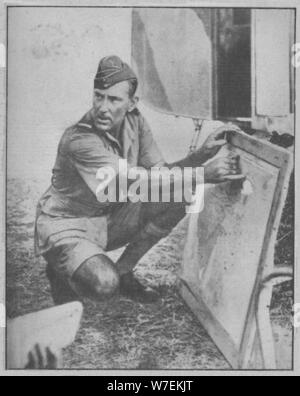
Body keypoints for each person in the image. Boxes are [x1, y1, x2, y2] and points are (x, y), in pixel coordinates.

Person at [35, 55, 241, 305]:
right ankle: (61, 268)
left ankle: (124, 272)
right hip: (69, 226)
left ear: (132, 103)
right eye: (98, 95)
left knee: (179, 195)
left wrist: (203, 154)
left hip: (110, 216)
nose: (102, 107)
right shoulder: (79, 138)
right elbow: (132, 184)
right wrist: (203, 174)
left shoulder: (135, 121)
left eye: (113, 99)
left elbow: (160, 176)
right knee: (104, 285)